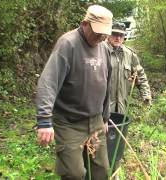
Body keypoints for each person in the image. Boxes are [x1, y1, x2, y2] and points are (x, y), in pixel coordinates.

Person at [35, 5, 113, 180]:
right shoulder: (68, 44)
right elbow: (48, 82)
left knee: (102, 172)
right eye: (97, 32)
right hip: (69, 122)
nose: (101, 37)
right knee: (74, 174)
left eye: (104, 34)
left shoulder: (104, 48)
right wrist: (44, 121)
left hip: (95, 122)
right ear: (85, 23)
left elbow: (106, 83)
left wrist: (105, 117)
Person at [106, 22, 151, 174]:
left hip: (122, 107)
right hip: (104, 108)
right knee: (102, 141)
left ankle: (115, 170)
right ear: (108, 34)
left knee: (118, 142)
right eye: (114, 34)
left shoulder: (130, 55)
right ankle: (99, 170)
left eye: (121, 35)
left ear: (124, 37)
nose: (118, 37)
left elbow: (141, 76)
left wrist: (145, 94)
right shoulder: (100, 51)